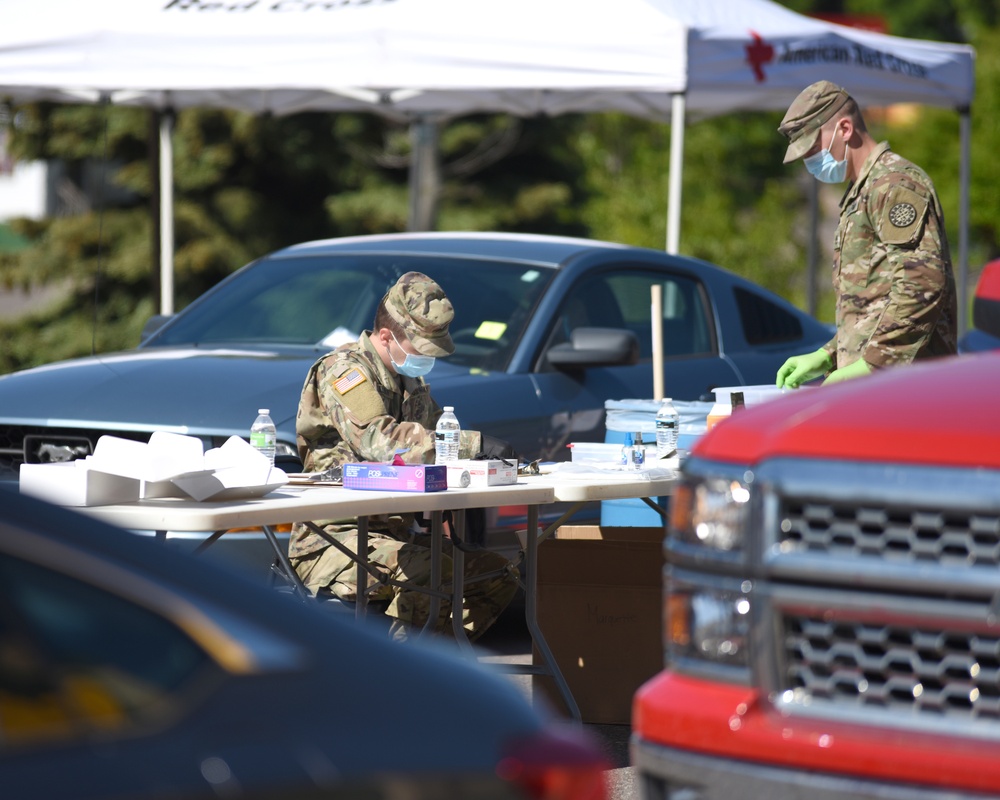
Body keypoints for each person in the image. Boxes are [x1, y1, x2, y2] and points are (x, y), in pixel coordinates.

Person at [289, 271, 519, 642]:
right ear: (386, 337)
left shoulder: (407, 380)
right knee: (428, 573)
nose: (425, 362)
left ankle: (429, 660)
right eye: (420, 350)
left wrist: (483, 458)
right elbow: (381, 440)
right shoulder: (344, 370)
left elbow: (436, 439)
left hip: (392, 535)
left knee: (494, 575)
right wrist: (473, 445)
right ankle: (398, 679)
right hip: (333, 539)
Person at [775, 80, 957, 389]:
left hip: (909, 387)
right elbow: (872, 304)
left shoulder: (894, 185)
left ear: (845, 129)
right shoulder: (863, 190)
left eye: (813, 149)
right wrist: (829, 354)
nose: (810, 162)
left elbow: (922, 287)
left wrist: (871, 366)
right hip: (881, 386)